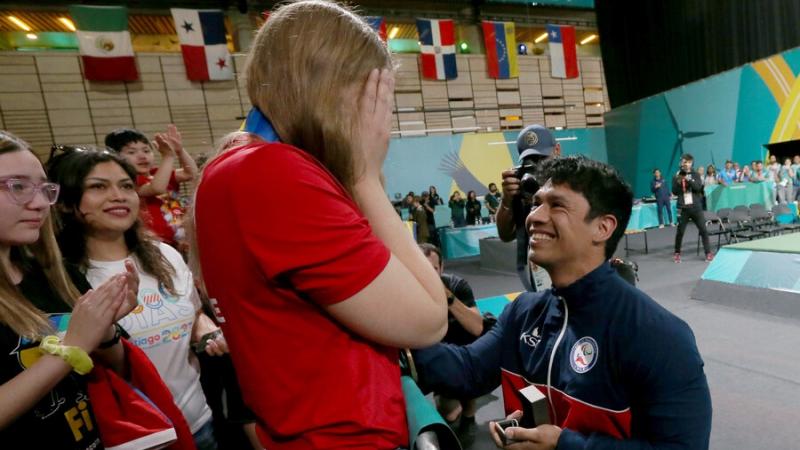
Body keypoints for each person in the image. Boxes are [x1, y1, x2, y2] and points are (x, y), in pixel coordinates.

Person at [194, 1, 448, 448]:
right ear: (340, 91)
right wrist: (364, 175)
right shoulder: (275, 174)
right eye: (378, 100)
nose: (383, 121)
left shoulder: (235, 165)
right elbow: (428, 321)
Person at [412, 156, 712, 450]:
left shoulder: (657, 335)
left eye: (556, 205)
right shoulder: (523, 311)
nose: (534, 216)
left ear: (603, 228)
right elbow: (468, 371)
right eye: (537, 203)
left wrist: (565, 445)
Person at [47, 147, 222, 449]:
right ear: (65, 203)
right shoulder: (62, 279)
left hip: (198, 422)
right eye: (98, 186)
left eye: (126, 185)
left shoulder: (164, 255)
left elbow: (193, 315)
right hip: (136, 436)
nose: (118, 195)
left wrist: (206, 330)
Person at [0, 131, 138, 449]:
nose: (39, 204)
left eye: (43, 189)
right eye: (18, 187)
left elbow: (117, 370)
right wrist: (72, 347)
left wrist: (104, 332)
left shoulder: (56, 276)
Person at [419, 243, 483, 444]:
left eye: (433, 270)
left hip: (461, 351)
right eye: (422, 269)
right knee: (447, 413)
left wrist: (448, 298)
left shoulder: (457, 286)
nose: (428, 275)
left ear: (442, 268)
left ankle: (469, 415)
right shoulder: (408, 292)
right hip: (432, 354)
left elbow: (477, 328)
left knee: (471, 355)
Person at [105, 125, 198, 249]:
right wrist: (168, 156)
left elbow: (191, 173)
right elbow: (157, 188)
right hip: (155, 244)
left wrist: (180, 151)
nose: (142, 156)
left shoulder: (157, 173)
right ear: (115, 158)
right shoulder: (127, 183)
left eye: (146, 150)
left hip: (180, 242)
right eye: (132, 152)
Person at [496, 124, 561, 291]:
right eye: (530, 162)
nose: (538, 168)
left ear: (557, 150)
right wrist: (507, 200)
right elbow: (505, 234)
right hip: (537, 270)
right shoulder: (522, 187)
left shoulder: (571, 181)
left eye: (542, 159)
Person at [673, 153, 713, 263]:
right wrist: (679, 181)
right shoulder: (677, 175)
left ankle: (708, 253)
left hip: (696, 208)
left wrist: (688, 179)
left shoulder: (695, 174)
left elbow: (698, 188)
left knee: (703, 230)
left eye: (689, 162)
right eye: (685, 162)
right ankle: (677, 253)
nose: (686, 164)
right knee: (680, 232)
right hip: (684, 208)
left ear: (692, 163)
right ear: (682, 163)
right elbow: (674, 191)